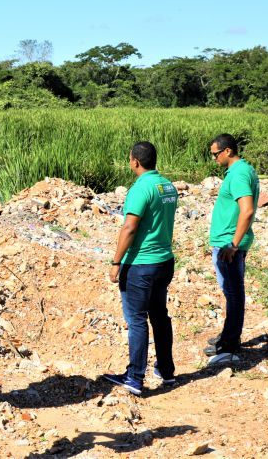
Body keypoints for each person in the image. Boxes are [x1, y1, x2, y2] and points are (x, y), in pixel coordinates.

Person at [103, 142, 178, 396]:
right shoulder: (167, 186)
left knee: (136, 320)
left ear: (134, 161)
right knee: (159, 315)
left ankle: (134, 377)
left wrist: (116, 262)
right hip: (164, 261)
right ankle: (166, 371)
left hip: (141, 264)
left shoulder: (140, 189)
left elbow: (130, 228)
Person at [205, 133, 259, 364]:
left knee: (234, 294)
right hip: (230, 241)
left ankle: (229, 345)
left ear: (228, 151)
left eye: (216, 154)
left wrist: (233, 244)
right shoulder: (244, 170)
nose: (214, 158)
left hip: (229, 244)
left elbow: (246, 210)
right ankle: (228, 335)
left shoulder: (238, 175)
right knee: (233, 292)